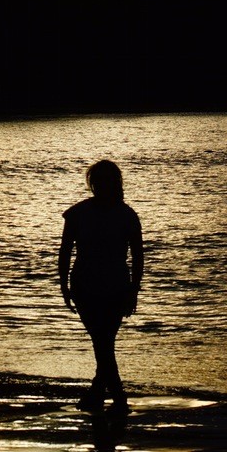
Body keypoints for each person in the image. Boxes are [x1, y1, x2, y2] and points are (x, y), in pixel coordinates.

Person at [58, 160, 144, 416]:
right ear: (93, 184)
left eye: (107, 181)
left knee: (103, 341)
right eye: (99, 181)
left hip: (115, 285)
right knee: (102, 340)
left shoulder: (126, 215)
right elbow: (64, 252)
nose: (102, 186)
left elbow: (138, 256)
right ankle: (113, 395)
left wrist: (133, 290)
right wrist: (63, 285)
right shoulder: (77, 214)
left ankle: (105, 392)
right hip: (86, 284)